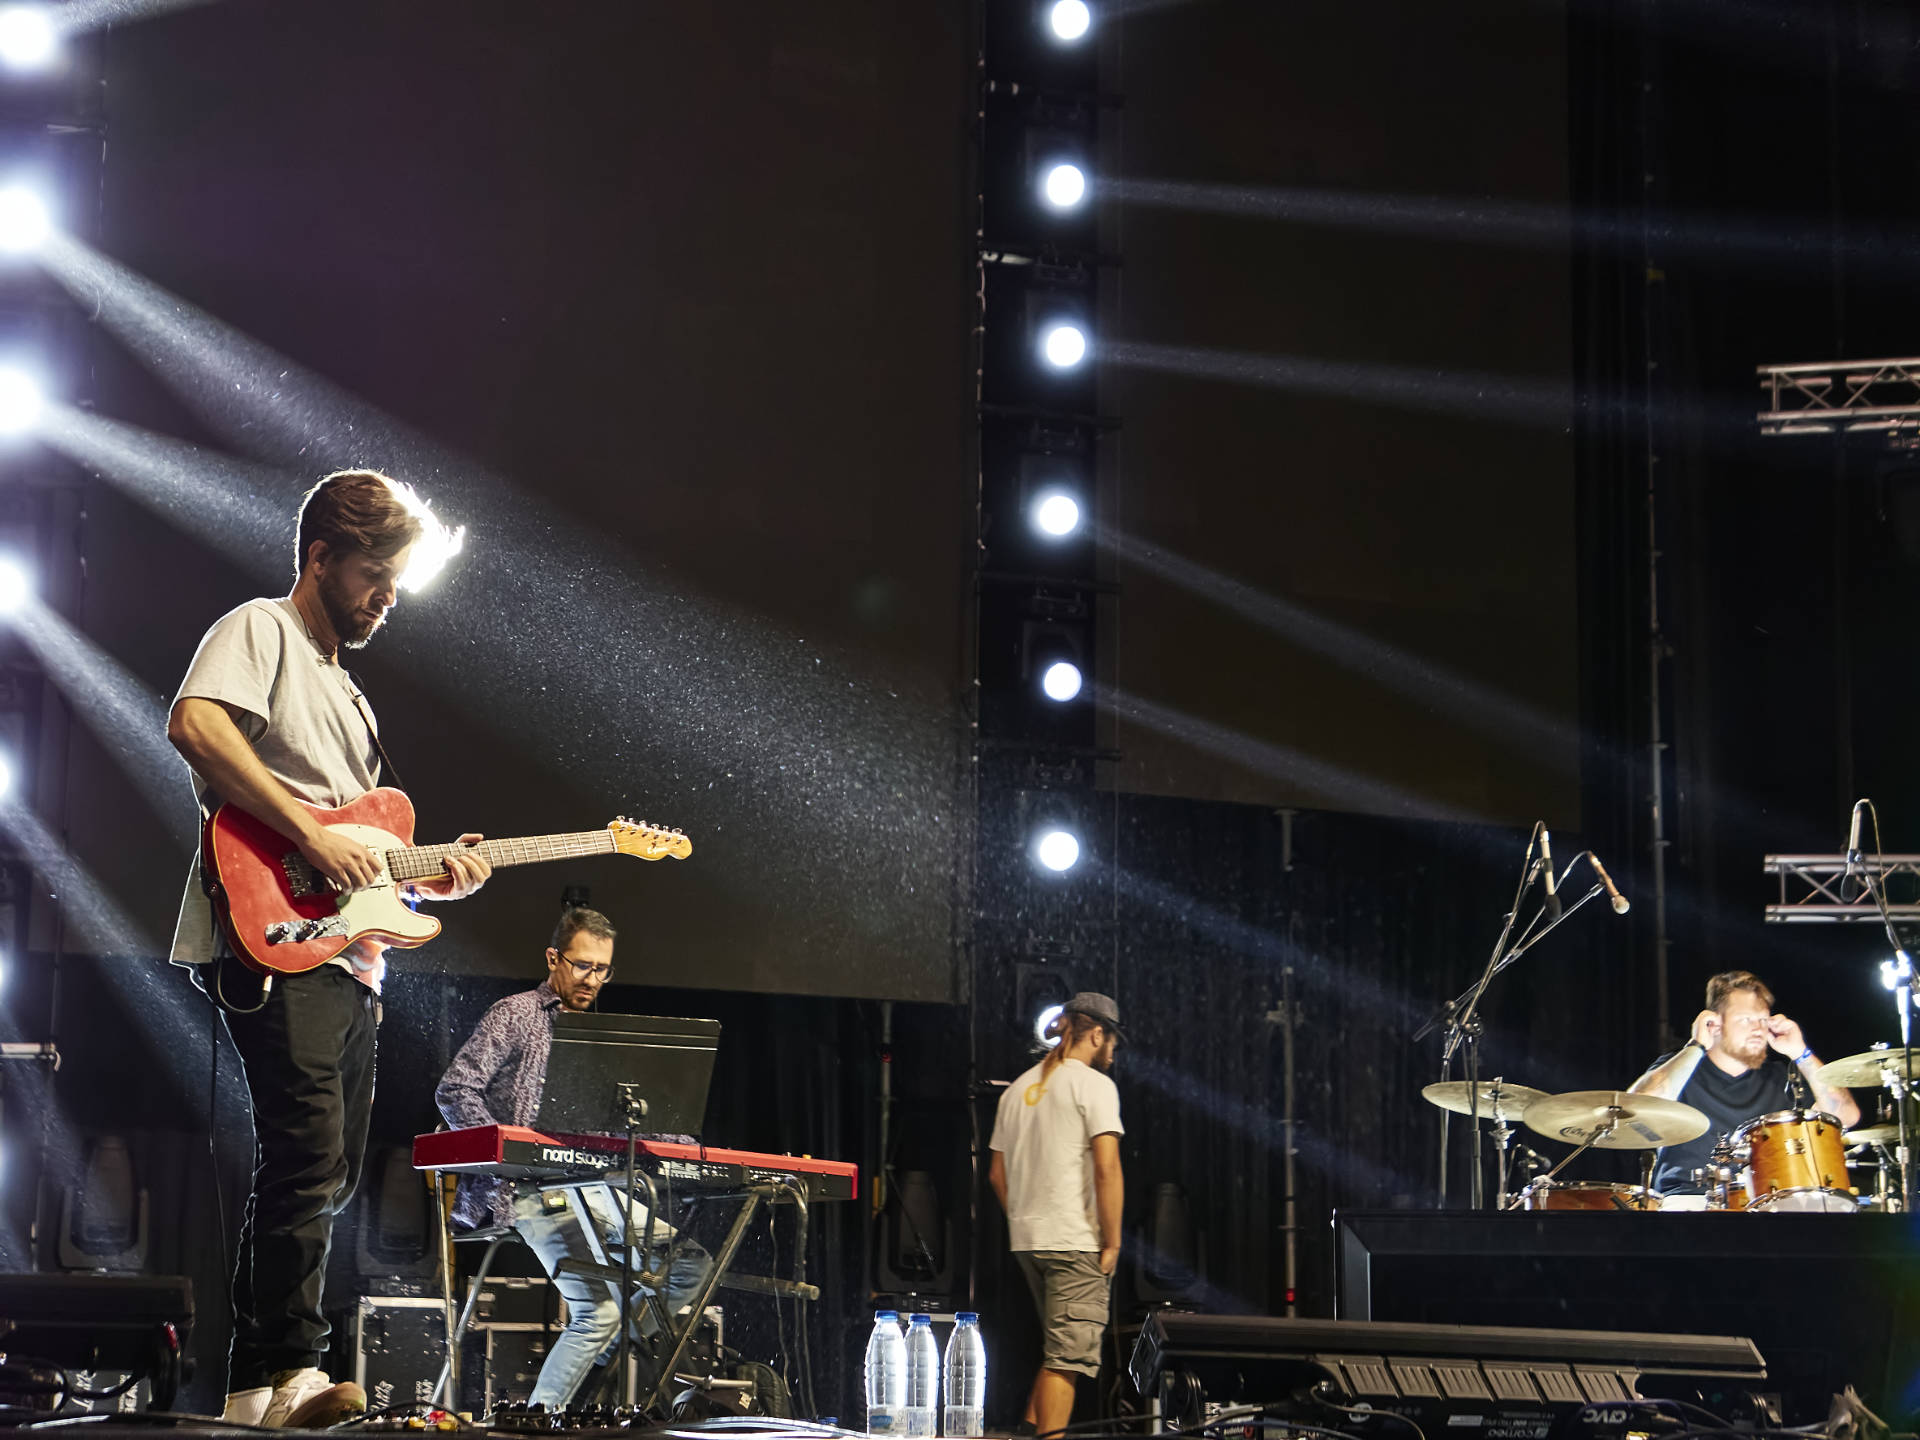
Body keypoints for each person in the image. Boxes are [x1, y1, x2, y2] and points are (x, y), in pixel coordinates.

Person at [168, 470, 492, 1428]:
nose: (387, 596)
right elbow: (194, 724)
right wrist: (311, 837)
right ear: (320, 556)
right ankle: (290, 1369)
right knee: (307, 1156)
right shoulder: (259, 628)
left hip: (350, 957)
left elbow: (366, 850)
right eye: (376, 575)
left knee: (330, 1167)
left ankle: (258, 1391)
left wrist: (431, 872)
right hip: (273, 936)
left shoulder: (352, 699)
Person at [435, 906, 715, 1412]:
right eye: (583, 965)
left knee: (691, 1266)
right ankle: (541, 1418)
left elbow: (618, 1119)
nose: (592, 979)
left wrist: (689, 1146)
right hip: (528, 1191)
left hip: (593, 1189)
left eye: (602, 969)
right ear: (553, 958)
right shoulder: (515, 1014)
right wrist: (506, 1152)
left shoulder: (598, 1032)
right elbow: (455, 1089)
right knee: (599, 1311)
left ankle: (598, 1361)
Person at [989, 992, 1125, 1439]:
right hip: (1074, 1242)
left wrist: (1027, 1216)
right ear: (1097, 1034)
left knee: (1056, 1353)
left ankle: (1028, 1433)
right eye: (1113, 1041)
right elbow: (1106, 1168)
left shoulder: (1017, 1090)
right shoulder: (1095, 1086)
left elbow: (996, 1173)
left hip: (1030, 1240)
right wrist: (1113, 1242)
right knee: (1067, 1361)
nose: (1114, 1051)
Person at [1629, 969, 1859, 1197]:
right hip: (1686, 1204)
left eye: (1763, 1020)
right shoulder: (1681, 1068)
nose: (1758, 1029)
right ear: (1715, 1023)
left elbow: (1847, 1115)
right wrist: (1696, 1046)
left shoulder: (1782, 1078)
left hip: (1762, 1208)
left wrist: (1801, 1053)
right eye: (1746, 1020)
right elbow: (1634, 1110)